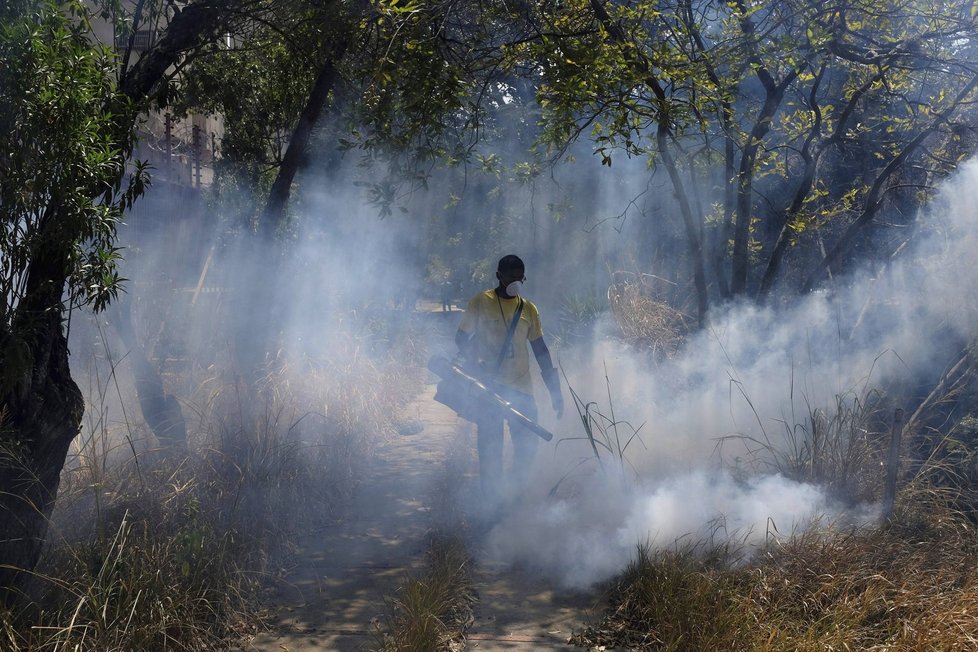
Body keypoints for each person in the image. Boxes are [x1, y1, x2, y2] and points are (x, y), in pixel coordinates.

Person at [455, 254, 564, 507]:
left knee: (527, 451)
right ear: (499, 277)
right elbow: (461, 338)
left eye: (520, 277)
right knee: (490, 452)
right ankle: (491, 506)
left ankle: (514, 501)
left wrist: (555, 391)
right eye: (511, 276)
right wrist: (476, 365)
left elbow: (541, 352)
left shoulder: (528, 309)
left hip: (522, 391)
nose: (516, 281)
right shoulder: (481, 302)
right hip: (489, 390)